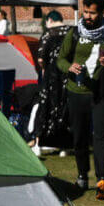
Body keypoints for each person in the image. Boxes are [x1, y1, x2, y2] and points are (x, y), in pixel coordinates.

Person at [57, 0, 104, 199]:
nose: (88, 16)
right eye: (86, 12)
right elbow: (60, 59)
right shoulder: (74, 33)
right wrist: (69, 67)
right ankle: (81, 175)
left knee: (102, 136)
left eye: (92, 12)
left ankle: (101, 180)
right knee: (79, 137)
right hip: (77, 92)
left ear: (101, 12)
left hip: (102, 94)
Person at [30, 10, 73, 155]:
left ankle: (39, 144)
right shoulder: (72, 32)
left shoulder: (48, 34)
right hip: (68, 75)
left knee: (45, 107)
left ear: (49, 20)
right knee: (64, 108)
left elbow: (41, 58)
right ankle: (64, 147)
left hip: (52, 76)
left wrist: (43, 69)